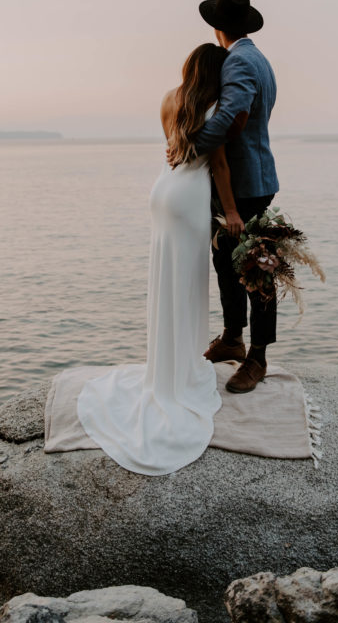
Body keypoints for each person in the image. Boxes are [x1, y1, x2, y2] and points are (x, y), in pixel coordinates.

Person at [77, 43, 243, 475]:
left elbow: (174, 149)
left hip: (163, 191)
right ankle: (180, 374)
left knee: (165, 280)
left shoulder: (170, 99)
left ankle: (165, 369)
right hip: (189, 198)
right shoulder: (214, 107)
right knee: (186, 285)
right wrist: (231, 213)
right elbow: (219, 166)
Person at [173, 0, 279, 394]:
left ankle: (258, 357)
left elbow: (232, 113)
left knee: (257, 269)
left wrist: (189, 146)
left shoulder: (238, 61)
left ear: (217, 27)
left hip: (246, 184)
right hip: (244, 180)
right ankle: (233, 337)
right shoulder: (258, 58)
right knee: (226, 262)